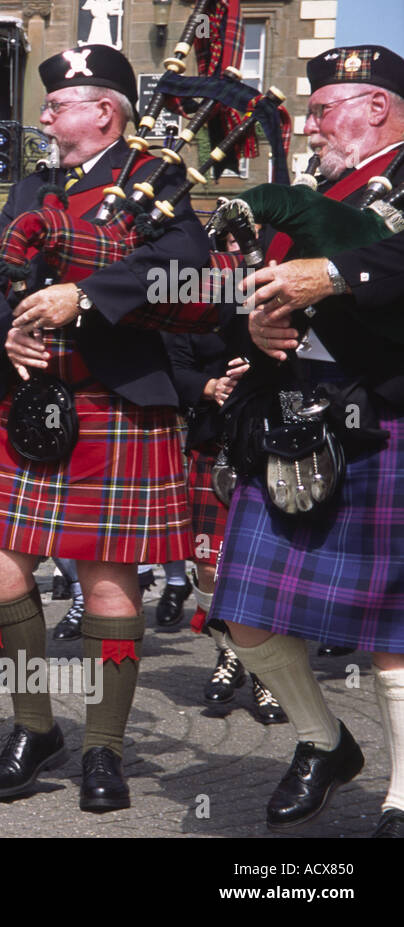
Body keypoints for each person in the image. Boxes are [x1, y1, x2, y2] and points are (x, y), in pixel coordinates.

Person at [0, 45, 212, 812]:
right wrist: (5, 330)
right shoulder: (34, 186)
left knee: (108, 578)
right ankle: (35, 725)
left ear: (103, 111)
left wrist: (87, 296)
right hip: (35, 399)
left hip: (116, 400)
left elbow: (192, 280)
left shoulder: (155, 179)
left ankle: (103, 744)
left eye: (57, 103)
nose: (43, 115)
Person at [211, 46, 404, 836]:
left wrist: (337, 275)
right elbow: (248, 293)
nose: (313, 123)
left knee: (397, 629)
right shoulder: (307, 195)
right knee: (244, 610)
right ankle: (324, 742)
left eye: (326, 108)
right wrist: (250, 323)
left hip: (388, 415)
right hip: (293, 422)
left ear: (379, 109)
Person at [163, 321, 285, 724]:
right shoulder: (193, 303)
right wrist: (210, 387)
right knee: (210, 567)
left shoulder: (272, 293)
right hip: (213, 445)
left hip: (273, 442)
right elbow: (174, 369)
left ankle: (266, 674)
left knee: (266, 571)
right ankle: (230, 653)